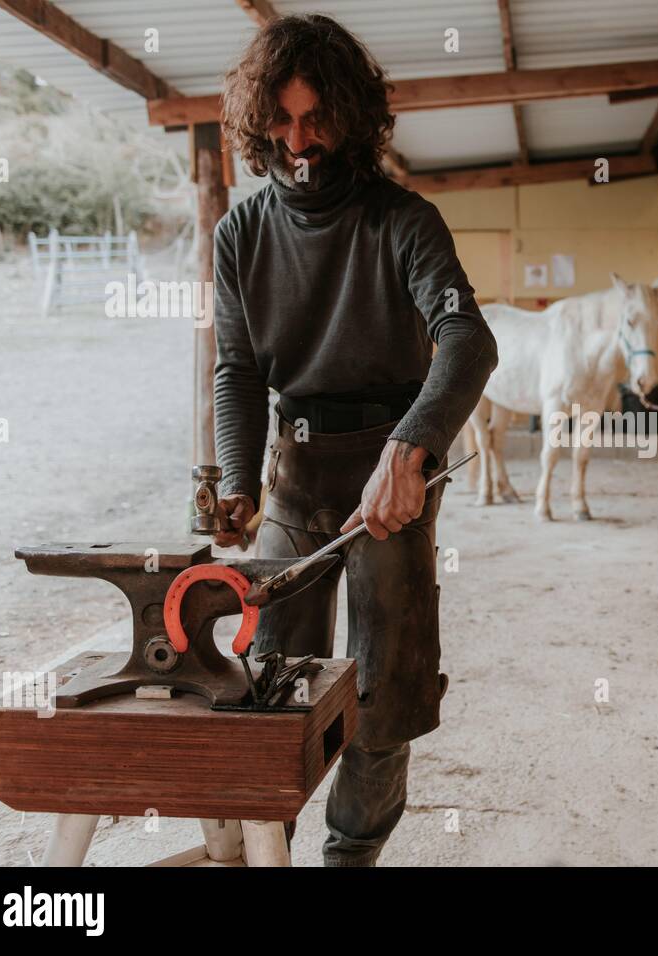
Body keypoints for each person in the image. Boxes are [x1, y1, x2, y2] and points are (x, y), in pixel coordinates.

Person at [209, 13, 497, 866]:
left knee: (385, 694)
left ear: (352, 115)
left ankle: (351, 858)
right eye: (283, 121)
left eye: (317, 118)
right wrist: (237, 481)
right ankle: (271, 851)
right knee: (269, 686)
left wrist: (412, 448)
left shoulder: (404, 222)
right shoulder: (240, 235)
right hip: (293, 483)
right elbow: (236, 370)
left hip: (388, 485)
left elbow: (468, 340)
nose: (300, 142)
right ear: (259, 121)